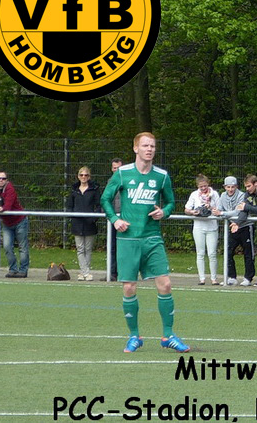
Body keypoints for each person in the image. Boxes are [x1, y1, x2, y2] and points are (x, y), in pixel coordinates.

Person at [100, 132, 189, 353]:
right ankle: (134, 336)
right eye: (145, 146)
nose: (149, 149)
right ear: (135, 148)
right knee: (129, 287)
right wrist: (115, 219)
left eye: (152, 146)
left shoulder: (161, 176)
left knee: (165, 284)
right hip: (128, 238)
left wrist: (164, 212)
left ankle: (168, 335)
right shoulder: (122, 173)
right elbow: (105, 199)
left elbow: (170, 203)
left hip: (152, 237)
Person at [0, 170, 30, 278]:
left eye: (3, 178)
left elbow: (8, 206)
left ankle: (23, 270)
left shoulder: (10, 189)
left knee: (22, 247)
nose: (1, 180)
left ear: (6, 180)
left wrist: (1, 208)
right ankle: (13, 269)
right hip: (6, 223)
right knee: (7, 246)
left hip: (20, 221)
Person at [213, 175, 251, 286]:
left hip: (245, 226)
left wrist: (222, 213)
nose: (230, 189)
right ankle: (231, 277)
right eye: (228, 187)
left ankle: (248, 278)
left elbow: (237, 212)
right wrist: (216, 211)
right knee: (228, 251)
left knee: (248, 253)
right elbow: (220, 209)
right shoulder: (223, 195)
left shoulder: (242, 195)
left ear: (236, 186)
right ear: (224, 187)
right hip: (232, 227)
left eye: (233, 187)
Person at [184, 174, 221, 285]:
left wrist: (211, 208)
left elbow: (219, 208)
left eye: (205, 186)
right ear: (198, 186)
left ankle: (214, 278)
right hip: (199, 227)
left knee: (212, 253)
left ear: (208, 184)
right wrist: (193, 212)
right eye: (201, 187)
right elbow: (186, 209)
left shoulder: (214, 194)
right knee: (200, 253)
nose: (203, 188)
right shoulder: (194, 195)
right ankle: (202, 278)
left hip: (212, 227)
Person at [66, 166, 101, 281]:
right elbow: (69, 206)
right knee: (80, 248)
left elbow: (99, 206)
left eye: (86, 175)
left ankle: (84, 272)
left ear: (89, 177)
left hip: (90, 223)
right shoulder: (74, 190)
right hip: (77, 223)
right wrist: (72, 216)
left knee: (88, 249)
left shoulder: (94, 189)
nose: (83, 177)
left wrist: (94, 218)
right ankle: (85, 272)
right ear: (78, 176)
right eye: (81, 175)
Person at [105, 158, 123, 281]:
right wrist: (110, 215)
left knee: (125, 246)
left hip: (125, 218)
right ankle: (112, 273)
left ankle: (125, 273)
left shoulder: (128, 180)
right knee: (112, 246)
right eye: (114, 168)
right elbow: (106, 199)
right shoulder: (110, 182)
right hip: (113, 219)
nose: (116, 170)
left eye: (118, 168)